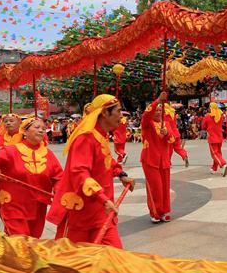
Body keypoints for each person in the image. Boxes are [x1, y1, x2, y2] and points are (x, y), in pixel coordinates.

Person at [46, 94, 133, 248]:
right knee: (73, 261)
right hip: (81, 212)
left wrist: (121, 174)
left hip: (101, 211)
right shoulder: (85, 138)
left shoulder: (101, 136)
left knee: (114, 256)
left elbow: (106, 160)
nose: (122, 116)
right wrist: (103, 198)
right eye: (118, 111)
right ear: (105, 113)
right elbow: (79, 172)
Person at [0, 118, 62, 238]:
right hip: (13, 204)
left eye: (43, 128)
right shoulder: (11, 151)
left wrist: (59, 194)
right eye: (37, 128)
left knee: (33, 240)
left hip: (38, 206)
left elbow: (59, 177)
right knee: (21, 240)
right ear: (24, 132)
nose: (41, 131)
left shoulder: (49, 154)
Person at [141, 93, 174, 223]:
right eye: (156, 110)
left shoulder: (166, 124)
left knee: (165, 187)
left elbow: (171, 139)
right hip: (150, 159)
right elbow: (146, 115)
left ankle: (164, 211)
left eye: (160, 110)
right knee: (155, 187)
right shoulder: (147, 124)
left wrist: (167, 134)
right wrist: (158, 100)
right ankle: (155, 212)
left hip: (164, 160)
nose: (158, 112)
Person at [200, 102, 227, 175]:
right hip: (219, 137)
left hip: (212, 138)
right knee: (218, 153)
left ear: (211, 108)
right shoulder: (220, 116)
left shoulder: (208, 116)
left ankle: (223, 164)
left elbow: (203, 126)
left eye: (209, 107)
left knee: (214, 154)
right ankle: (214, 168)